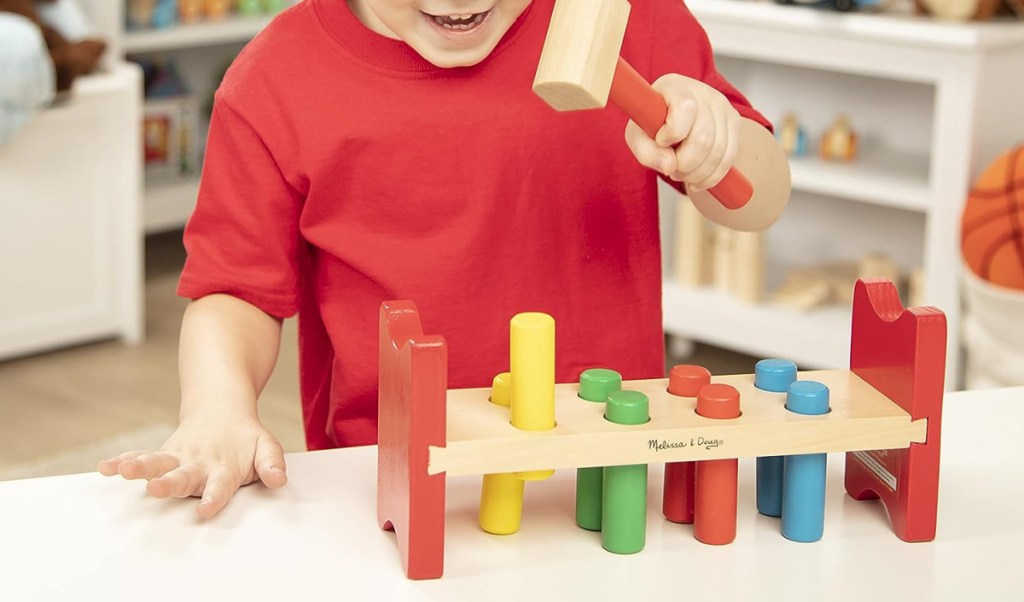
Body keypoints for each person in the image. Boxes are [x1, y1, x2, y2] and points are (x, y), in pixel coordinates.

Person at [98, 0, 791, 518]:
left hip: (601, 469)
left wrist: (717, 146)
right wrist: (218, 405)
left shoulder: (626, 19)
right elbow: (234, 290)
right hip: (393, 482)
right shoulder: (271, 84)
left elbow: (758, 199)